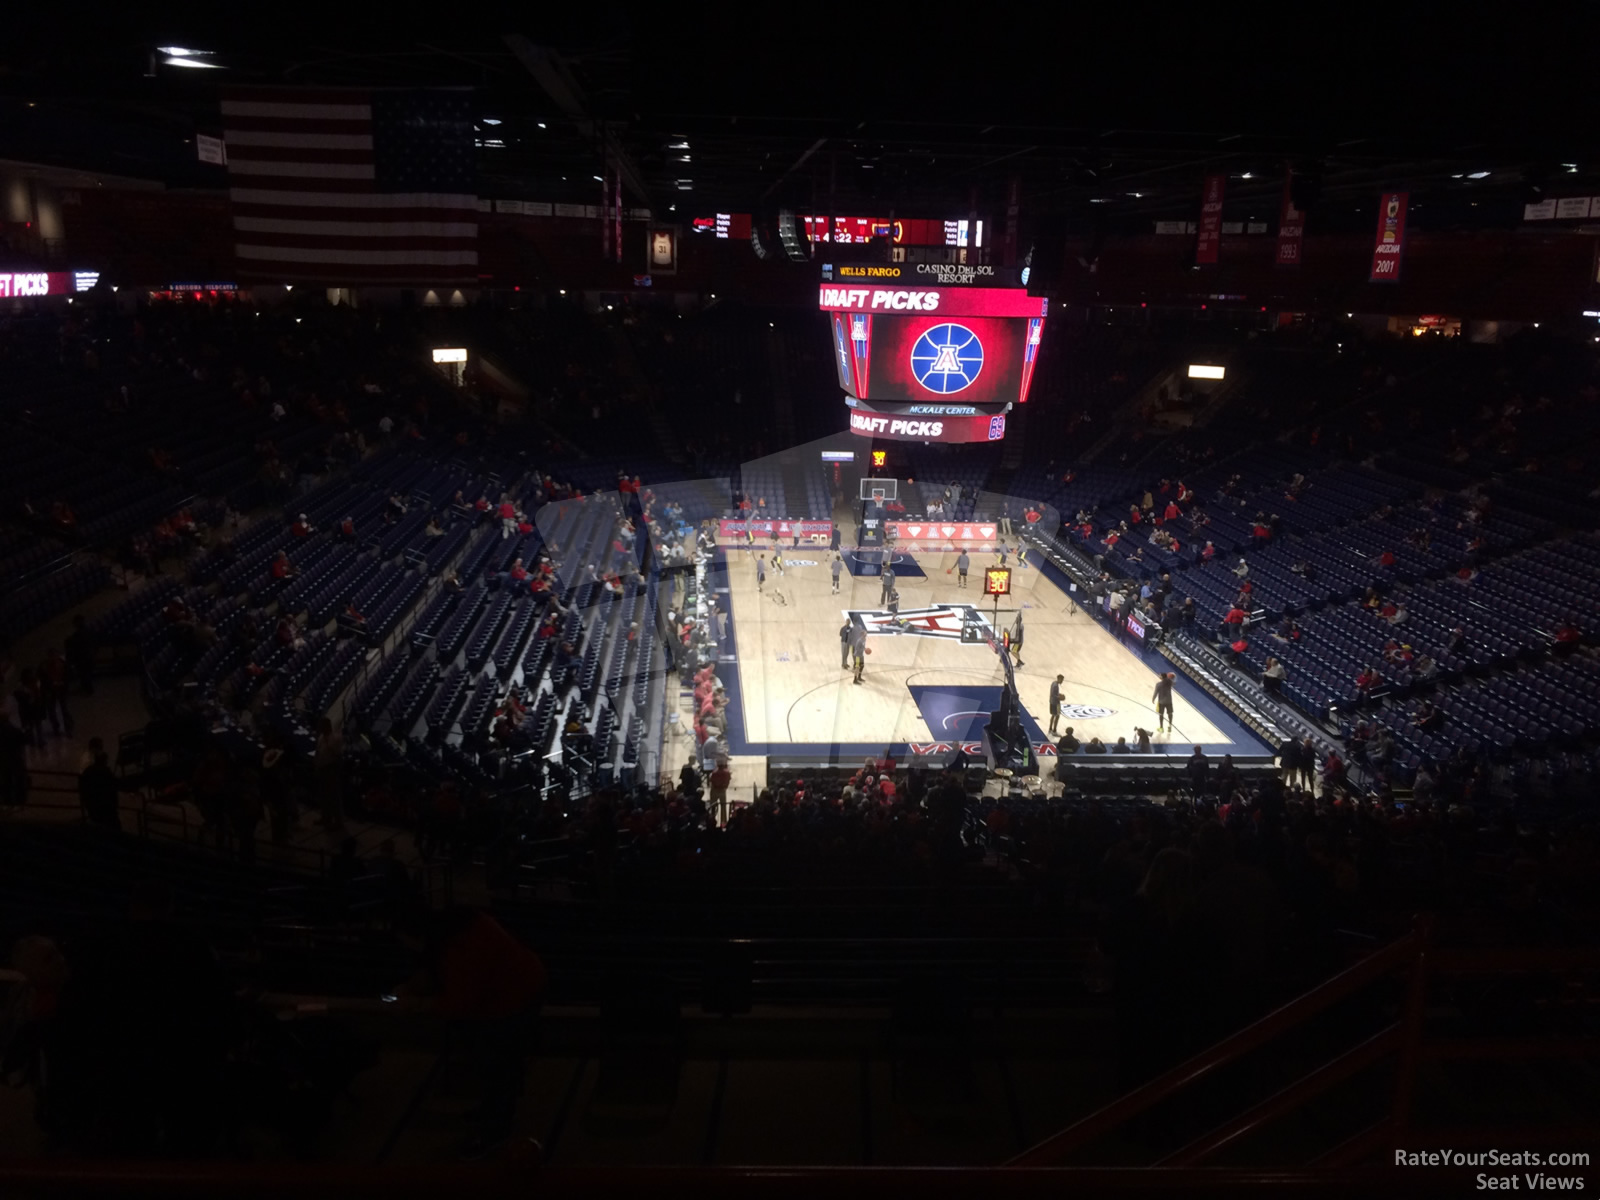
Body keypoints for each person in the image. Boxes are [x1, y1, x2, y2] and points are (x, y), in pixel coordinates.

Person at [394, 907, 547, 1158]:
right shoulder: (461, 928)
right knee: (493, 1060)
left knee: (498, 1065)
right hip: (514, 989)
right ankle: (492, 1109)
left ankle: (495, 1131)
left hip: (515, 999)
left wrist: (418, 1004)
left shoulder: (463, 949)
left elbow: (461, 1003)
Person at [78, 748, 123, 831]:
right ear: (105, 761)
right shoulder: (106, 773)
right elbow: (114, 788)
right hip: (107, 810)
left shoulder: (88, 771)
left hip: (92, 808)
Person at [313, 717, 345, 831]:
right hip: (322, 769)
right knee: (323, 796)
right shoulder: (321, 737)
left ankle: (338, 821)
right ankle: (325, 817)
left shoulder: (335, 739)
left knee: (334, 797)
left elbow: (338, 755)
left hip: (331, 770)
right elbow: (318, 751)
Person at [709, 759, 732, 828]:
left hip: (714, 790)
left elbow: (711, 781)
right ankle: (723, 823)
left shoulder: (714, 772)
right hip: (722, 790)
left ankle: (712, 822)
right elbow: (728, 781)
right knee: (723, 807)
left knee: (713, 807)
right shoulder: (727, 772)